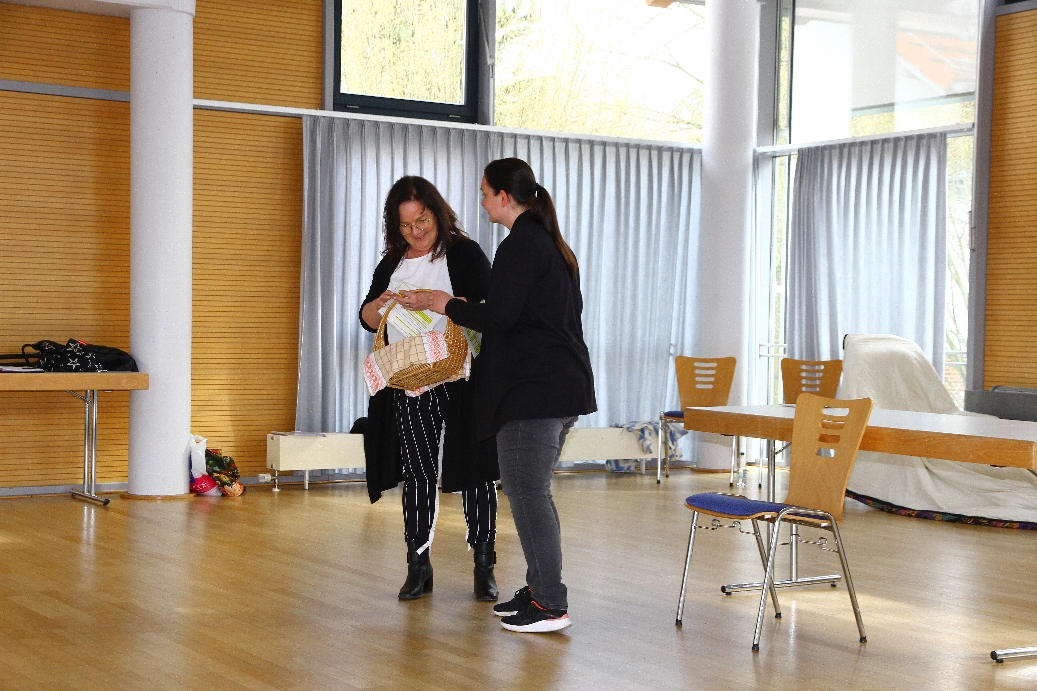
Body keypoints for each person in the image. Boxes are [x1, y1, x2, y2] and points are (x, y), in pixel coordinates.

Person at [426, 158, 596, 633]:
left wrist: (448, 305)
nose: (481, 202)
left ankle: (550, 603)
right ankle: (540, 588)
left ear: (504, 197)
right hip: (556, 388)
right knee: (531, 491)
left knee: (527, 492)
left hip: (534, 393)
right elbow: (524, 313)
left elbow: (499, 318)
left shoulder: (521, 245)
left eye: (485, 193)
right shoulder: (546, 243)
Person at [359, 175, 500, 602]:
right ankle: (417, 564)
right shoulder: (393, 262)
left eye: (422, 221)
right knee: (417, 472)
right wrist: (378, 306)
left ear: (437, 214)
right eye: (405, 226)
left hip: (463, 379)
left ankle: (484, 563)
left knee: (476, 471)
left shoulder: (464, 253)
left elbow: (491, 310)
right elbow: (367, 319)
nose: (416, 232)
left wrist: (441, 301)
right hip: (411, 382)